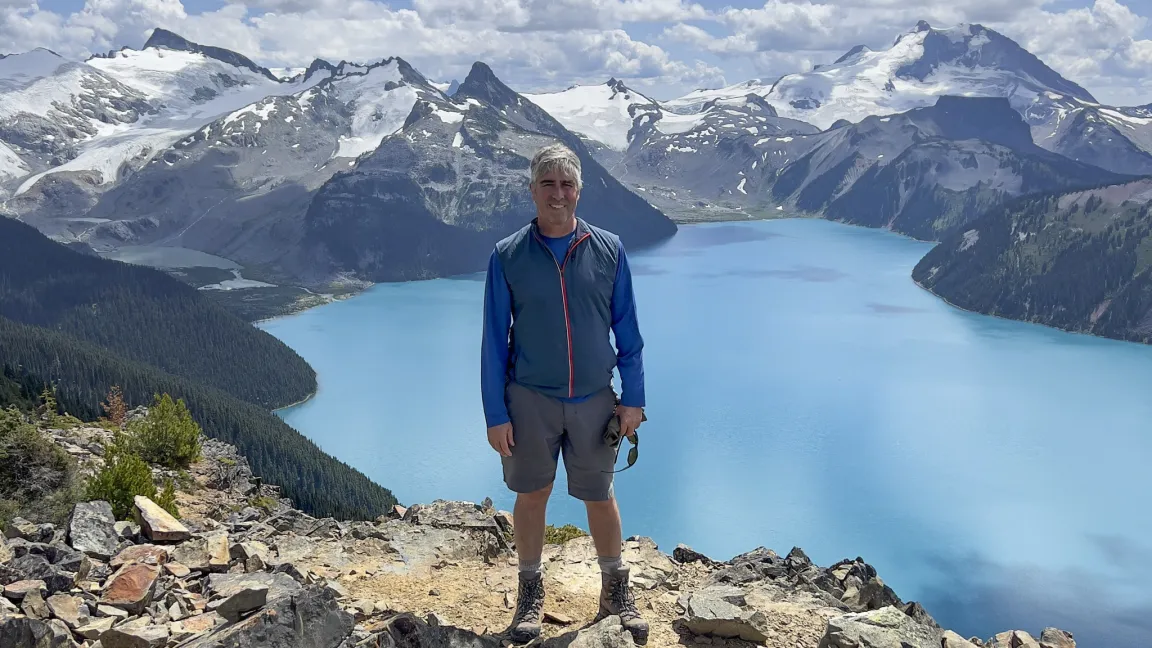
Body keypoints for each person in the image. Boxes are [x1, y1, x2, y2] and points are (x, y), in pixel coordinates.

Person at [481, 142, 649, 644]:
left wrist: (633, 398)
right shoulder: (508, 255)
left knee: (600, 495)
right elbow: (493, 341)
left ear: (579, 190)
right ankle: (530, 594)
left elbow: (628, 330)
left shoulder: (609, 248)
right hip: (529, 399)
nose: (558, 193)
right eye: (547, 183)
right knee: (532, 495)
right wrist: (495, 413)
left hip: (596, 399)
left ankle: (615, 590)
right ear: (532, 190)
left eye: (567, 183)